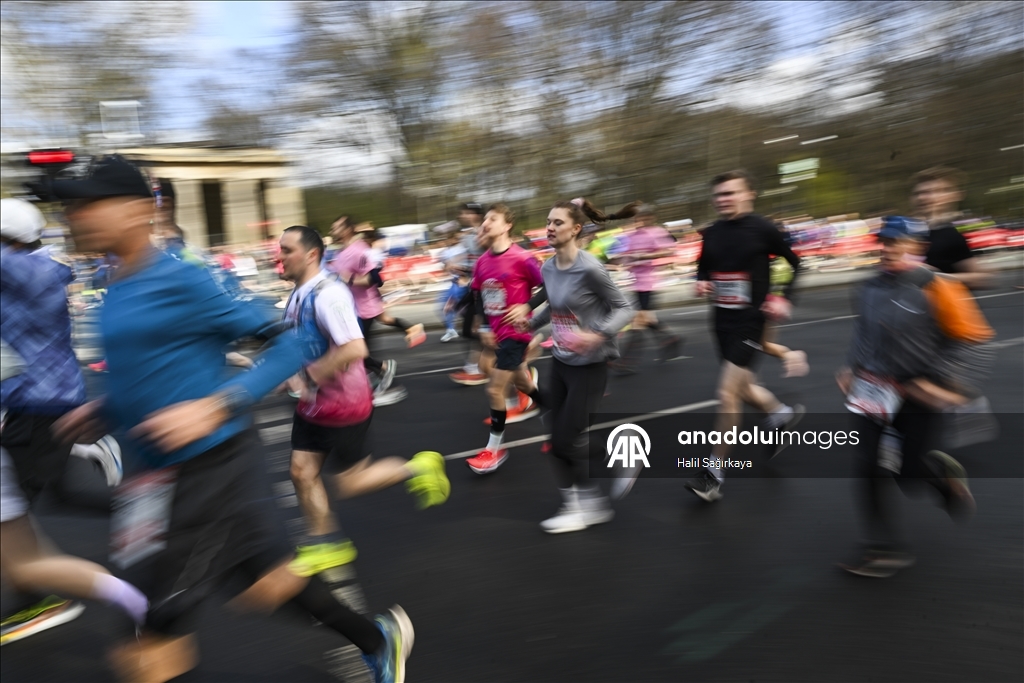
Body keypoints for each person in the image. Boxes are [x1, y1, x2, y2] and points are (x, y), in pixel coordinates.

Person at [51, 155, 413, 683]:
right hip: (154, 477)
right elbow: (155, 367)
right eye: (68, 205)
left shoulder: (186, 278)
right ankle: (376, 638)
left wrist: (219, 404)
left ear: (134, 210)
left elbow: (298, 342)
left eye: (87, 203)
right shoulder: (112, 283)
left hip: (205, 472)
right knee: (264, 583)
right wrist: (105, 408)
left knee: (150, 641)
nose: (72, 216)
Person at [278, 225, 449, 577]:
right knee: (301, 472)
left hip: (344, 404)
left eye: (286, 250)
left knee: (350, 482)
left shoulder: (328, 294)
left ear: (311, 255)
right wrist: (286, 373)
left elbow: (356, 348)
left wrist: (310, 375)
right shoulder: (297, 294)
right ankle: (327, 543)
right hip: (312, 402)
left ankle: (419, 467)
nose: (278, 257)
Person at [836, 216, 984, 577]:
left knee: (910, 475)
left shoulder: (939, 287)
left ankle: (945, 484)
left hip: (920, 392)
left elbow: (973, 341)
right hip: (874, 389)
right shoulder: (868, 287)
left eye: (895, 242)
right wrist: (852, 367)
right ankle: (883, 549)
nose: (886, 249)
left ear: (917, 247)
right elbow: (865, 332)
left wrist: (944, 386)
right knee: (868, 466)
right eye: (883, 242)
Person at [1, 339, 148, 646]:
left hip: (40, 404)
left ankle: (140, 604)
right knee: (30, 550)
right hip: (38, 405)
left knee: (25, 564)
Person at [505, 198, 635, 533]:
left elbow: (624, 309)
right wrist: (531, 325)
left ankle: (623, 456)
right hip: (561, 361)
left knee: (565, 441)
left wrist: (596, 335)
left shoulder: (589, 267)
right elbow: (553, 307)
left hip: (590, 365)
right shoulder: (549, 267)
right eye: (548, 222)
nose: (550, 227)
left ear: (576, 229)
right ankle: (584, 506)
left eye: (557, 223)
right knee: (556, 440)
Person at [688, 171, 804, 502]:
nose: (724, 199)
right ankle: (780, 416)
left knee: (726, 394)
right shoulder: (711, 233)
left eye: (731, 193)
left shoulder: (764, 228)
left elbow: (797, 263)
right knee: (743, 387)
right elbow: (703, 265)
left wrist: (784, 296)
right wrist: (701, 280)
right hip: (721, 321)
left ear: (748, 194)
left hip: (751, 322)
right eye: (719, 194)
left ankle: (713, 475)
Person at [464, 205, 544, 474]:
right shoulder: (482, 261)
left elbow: (551, 286)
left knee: (494, 389)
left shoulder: (523, 258)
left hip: (516, 333)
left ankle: (494, 449)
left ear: (507, 225)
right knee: (524, 383)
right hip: (495, 334)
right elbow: (477, 295)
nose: (486, 223)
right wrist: (484, 325)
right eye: (485, 218)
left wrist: (527, 306)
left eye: (493, 219)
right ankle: (559, 417)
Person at [328, 216, 409, 407]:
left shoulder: (360, 250)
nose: (332, 231)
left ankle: (384, 369)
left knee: (354, 353)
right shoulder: (341, 253)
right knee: (353, 352)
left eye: (336, 227)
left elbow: (375, 279)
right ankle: (369, 383)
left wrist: (349, 280)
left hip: (365, 309)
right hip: (350, 310)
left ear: (348, 230)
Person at [611, 204, 683, 372]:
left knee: (637, 322)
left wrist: (644, 256)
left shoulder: (656, 233)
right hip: (635, 283)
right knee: (647, 320)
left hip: (648, 283)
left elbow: (668, 251)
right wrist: (621, 260)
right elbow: (624, 256)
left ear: (651, 218)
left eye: (643, 218)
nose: (640, 221)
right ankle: (672, 338)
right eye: (637, 218)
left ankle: (627, 362)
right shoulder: (631, 235)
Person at [911, 167, 992, 289]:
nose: (922, 197)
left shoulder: (956, 233)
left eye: (933, 192)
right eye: (918, 193)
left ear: (954, 196)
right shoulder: (908, 232)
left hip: (944, 306)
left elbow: (980, 279)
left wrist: (933, 277)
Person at [448, 203, 490, 385]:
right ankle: (476, 365)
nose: (462, 215)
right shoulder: (469, 235)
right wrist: (457, 266)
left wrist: (462, 268)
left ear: (475, 214)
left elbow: (485, 262)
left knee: (478, 329)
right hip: (473, 287)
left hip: (486, 289)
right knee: (469, 329)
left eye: (466, 212)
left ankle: (475, 367)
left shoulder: (482, 234)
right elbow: (470, 260)